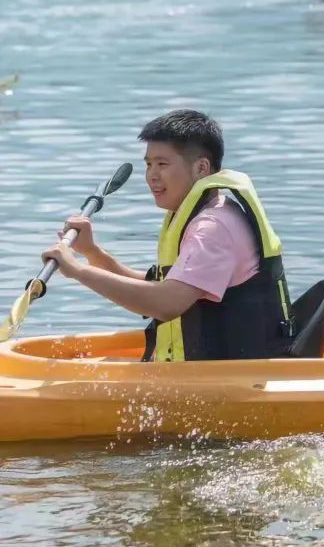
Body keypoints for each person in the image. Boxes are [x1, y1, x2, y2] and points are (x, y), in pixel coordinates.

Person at [41, 109, 294, 362]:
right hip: (204, 374)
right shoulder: (205, 212)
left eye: (162, 164)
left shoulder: (213, 228)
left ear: (201, 168)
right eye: (149, 164)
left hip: (227, 382)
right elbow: (160, 287)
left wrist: (76, 270)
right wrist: (91, 253)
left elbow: (166, 303)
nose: (152, 175)